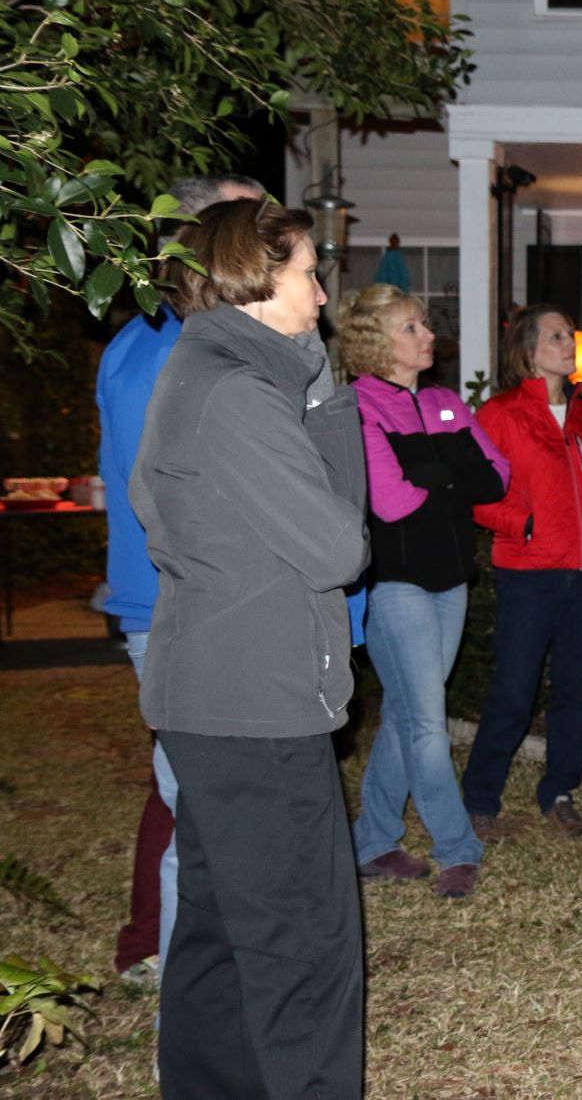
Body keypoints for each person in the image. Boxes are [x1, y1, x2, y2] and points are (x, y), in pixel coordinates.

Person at [132, 198, 369, 1097]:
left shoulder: (212, 372)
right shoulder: (236, 391)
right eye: (309, 272)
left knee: (223, 936)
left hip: (219, 697)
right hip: (255, 706)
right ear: (257, 279)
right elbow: (340, 545)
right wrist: (326, 392)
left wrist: (312, 384)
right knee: (304, 951)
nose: (320, 293)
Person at [100, 174, 265, 987]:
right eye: (250, 221)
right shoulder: (170, 354)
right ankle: (172, 958)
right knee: (201, 794)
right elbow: (176, 501)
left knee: (183, 786)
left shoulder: (171, 340)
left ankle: (153, 941)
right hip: (179, 603)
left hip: (187, 600)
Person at [340, 284, 509, 898]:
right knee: (428, 725)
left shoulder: (443, 400)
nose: (428, 335)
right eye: (412, 327)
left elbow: (495, 477)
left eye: (423, 325)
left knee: (411, 718)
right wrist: (450, 474)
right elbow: (389, 501)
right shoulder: (359, 406)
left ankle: (372, 844)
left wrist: (432, 474)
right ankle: (457, 846)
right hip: (395, 584)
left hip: (451, 575)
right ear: (377, 342)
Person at [463, 304, 582, 841]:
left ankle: (558, 789)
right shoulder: (500, 415)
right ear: (529, 351)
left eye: (569, 335)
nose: (568, 343)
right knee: (514, 690)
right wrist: (523, 524)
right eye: (556, 336)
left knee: (574, 691)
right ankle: (480, 797)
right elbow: (474, 494)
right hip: (529, 573)